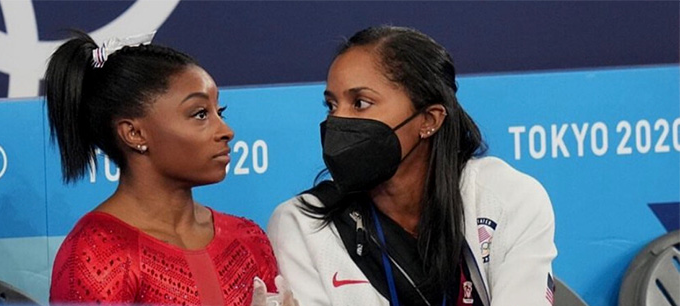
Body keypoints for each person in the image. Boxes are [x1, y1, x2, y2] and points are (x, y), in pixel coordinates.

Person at [267, 26, 557, 306]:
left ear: (429, 120)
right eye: (331, 105)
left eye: (360, 103)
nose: (337, 121)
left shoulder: (507, 200)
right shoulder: (302, 224)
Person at [45, 31, 284, 306]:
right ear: (134, 133)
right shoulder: (96, 252)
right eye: (200, 114)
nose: (226, 131)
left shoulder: (247, 239)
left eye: (221, 112)